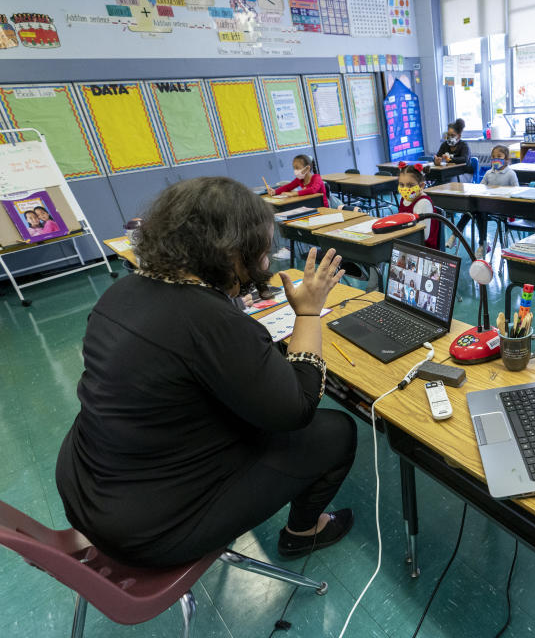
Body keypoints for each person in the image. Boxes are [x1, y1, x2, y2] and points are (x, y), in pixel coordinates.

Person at [55, 177, 357, 568]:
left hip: (88, 489)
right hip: (152, 529)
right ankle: (303, 533)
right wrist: (309, 311)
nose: (264, 262)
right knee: (335, 431)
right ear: (229, 251)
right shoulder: (208, 321)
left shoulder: (123, 291)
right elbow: (296, 409)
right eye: (260, 250)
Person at [448, 144, 519, 250]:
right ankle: (457, 235)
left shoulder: (510, 174)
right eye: (493, 157)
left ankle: (482, 244)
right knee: (471, 210)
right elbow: (479, 188)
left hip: (503, 208)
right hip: (488, 206)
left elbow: (517, 191)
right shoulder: (488, 173)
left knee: (480, 212)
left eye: (499, 156)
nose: (496, 159)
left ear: (506, 159)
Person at [397, 162, 440, 249]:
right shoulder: (405, 199)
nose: (405, 189)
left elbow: (423, 237)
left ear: (421, 186)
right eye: (401, 185)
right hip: (407, 242)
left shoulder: (423, 203)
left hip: (423, 250)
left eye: (410, 185)